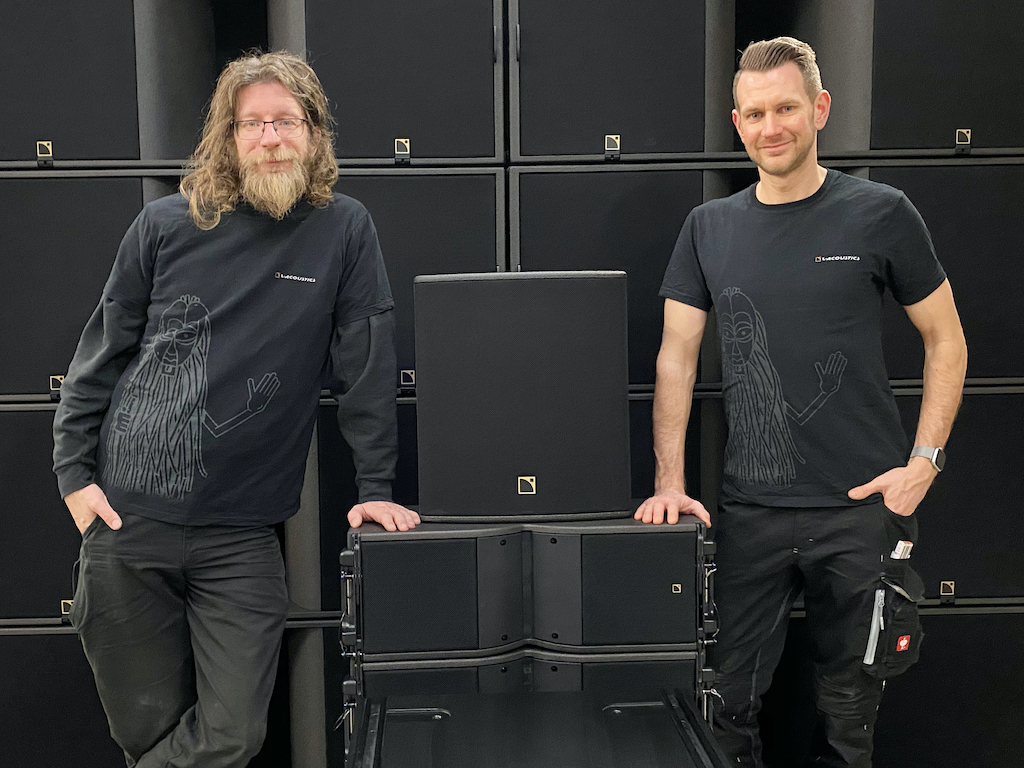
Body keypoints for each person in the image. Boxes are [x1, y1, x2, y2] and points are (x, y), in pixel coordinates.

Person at [52, 51, 419, 767]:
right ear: (227, 137)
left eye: (286, 121)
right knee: (145, 734)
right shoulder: (163, 225)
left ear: (314, 133)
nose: (270, 138)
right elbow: (99, 357)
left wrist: (375, 487)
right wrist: (74, 478)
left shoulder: (343, 229)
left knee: (233, 735)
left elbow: (367, 369)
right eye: (252, 124)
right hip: (127, 527)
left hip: (241, 538)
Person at [635, 37, 967, 767]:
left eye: (786, 108)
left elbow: (946, 340)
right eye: (754, 114)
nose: (771, 127)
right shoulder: (708, 228)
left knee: (848, 713)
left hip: (861, 508)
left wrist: (925, 463)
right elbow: (676, 358)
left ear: (820, 108)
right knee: (724, 702)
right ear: (736, 123)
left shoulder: (881, 213)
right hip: (751, 512)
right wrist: (669, 481)